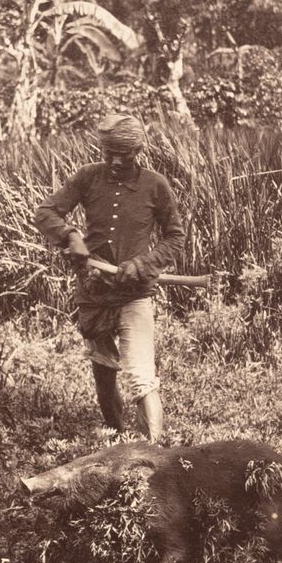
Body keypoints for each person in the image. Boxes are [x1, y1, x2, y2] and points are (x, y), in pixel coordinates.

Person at [33, 115, 186, 442]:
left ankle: (155, 449)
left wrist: (144, 263)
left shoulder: (155, 184)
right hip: (94, 293)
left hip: (135, 294)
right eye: (109, 153)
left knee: (142, 377)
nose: (116, 161)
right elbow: (46, 211)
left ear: (139, 149)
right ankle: (118, 440)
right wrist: (70, 236)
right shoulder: (88, 178)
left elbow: (175, 237)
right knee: (104, 374)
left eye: (125, 153)